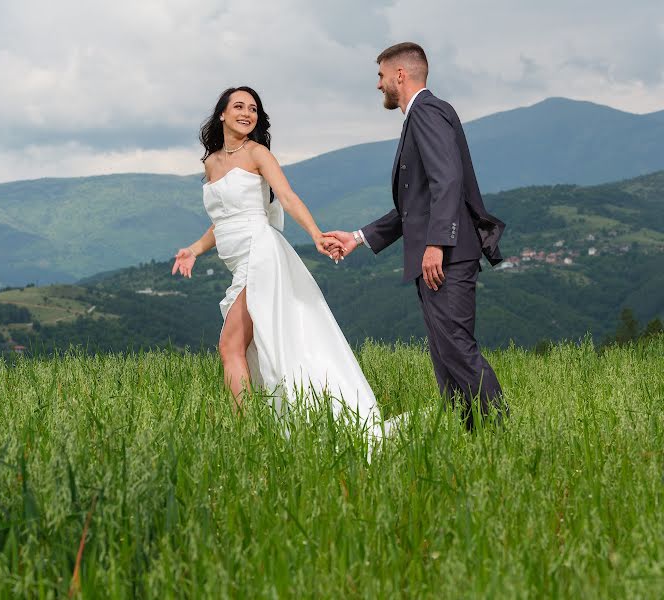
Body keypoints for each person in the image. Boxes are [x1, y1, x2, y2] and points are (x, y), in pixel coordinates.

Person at [172, 86, 385, 433]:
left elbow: (285, 197)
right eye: (238, 106)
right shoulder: (211, 163)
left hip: (262, 255)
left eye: (253, 109)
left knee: (230, 344)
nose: (247, 113)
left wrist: (316, 234)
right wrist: (194, 250)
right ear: (222, 114)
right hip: (237, 263)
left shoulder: (257, 154)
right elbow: (223, 220)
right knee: (252, 346)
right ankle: (268, 421)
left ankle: (246, 430)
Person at [326, 42, 508, 429]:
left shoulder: (426, 111)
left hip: (448, 257)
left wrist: (436, 245)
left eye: (380, 76)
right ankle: (471, 436)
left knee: (456, 349)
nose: (378, 86)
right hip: (442, 256)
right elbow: (415, 206)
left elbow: (448, 181)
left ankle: (499, 433)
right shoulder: (423, 115)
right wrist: (357, 237)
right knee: (445, 356)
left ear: (400, 75)